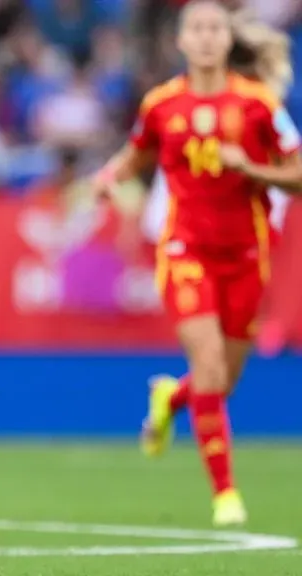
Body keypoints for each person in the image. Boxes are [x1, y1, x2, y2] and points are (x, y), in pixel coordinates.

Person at [91, 0, 302, 527]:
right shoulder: (161, 104)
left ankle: (170, 395)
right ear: (181, 41)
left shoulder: (259, 105)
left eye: (215, 29)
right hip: (185, 250)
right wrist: (110, 175)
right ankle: (226, 496)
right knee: (209, 365)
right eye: (197, 29)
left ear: (228, 41)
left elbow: (297, 175)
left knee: (220, 381)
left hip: (247, 256)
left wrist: (252, 167)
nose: (207, 38)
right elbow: (138, 152)